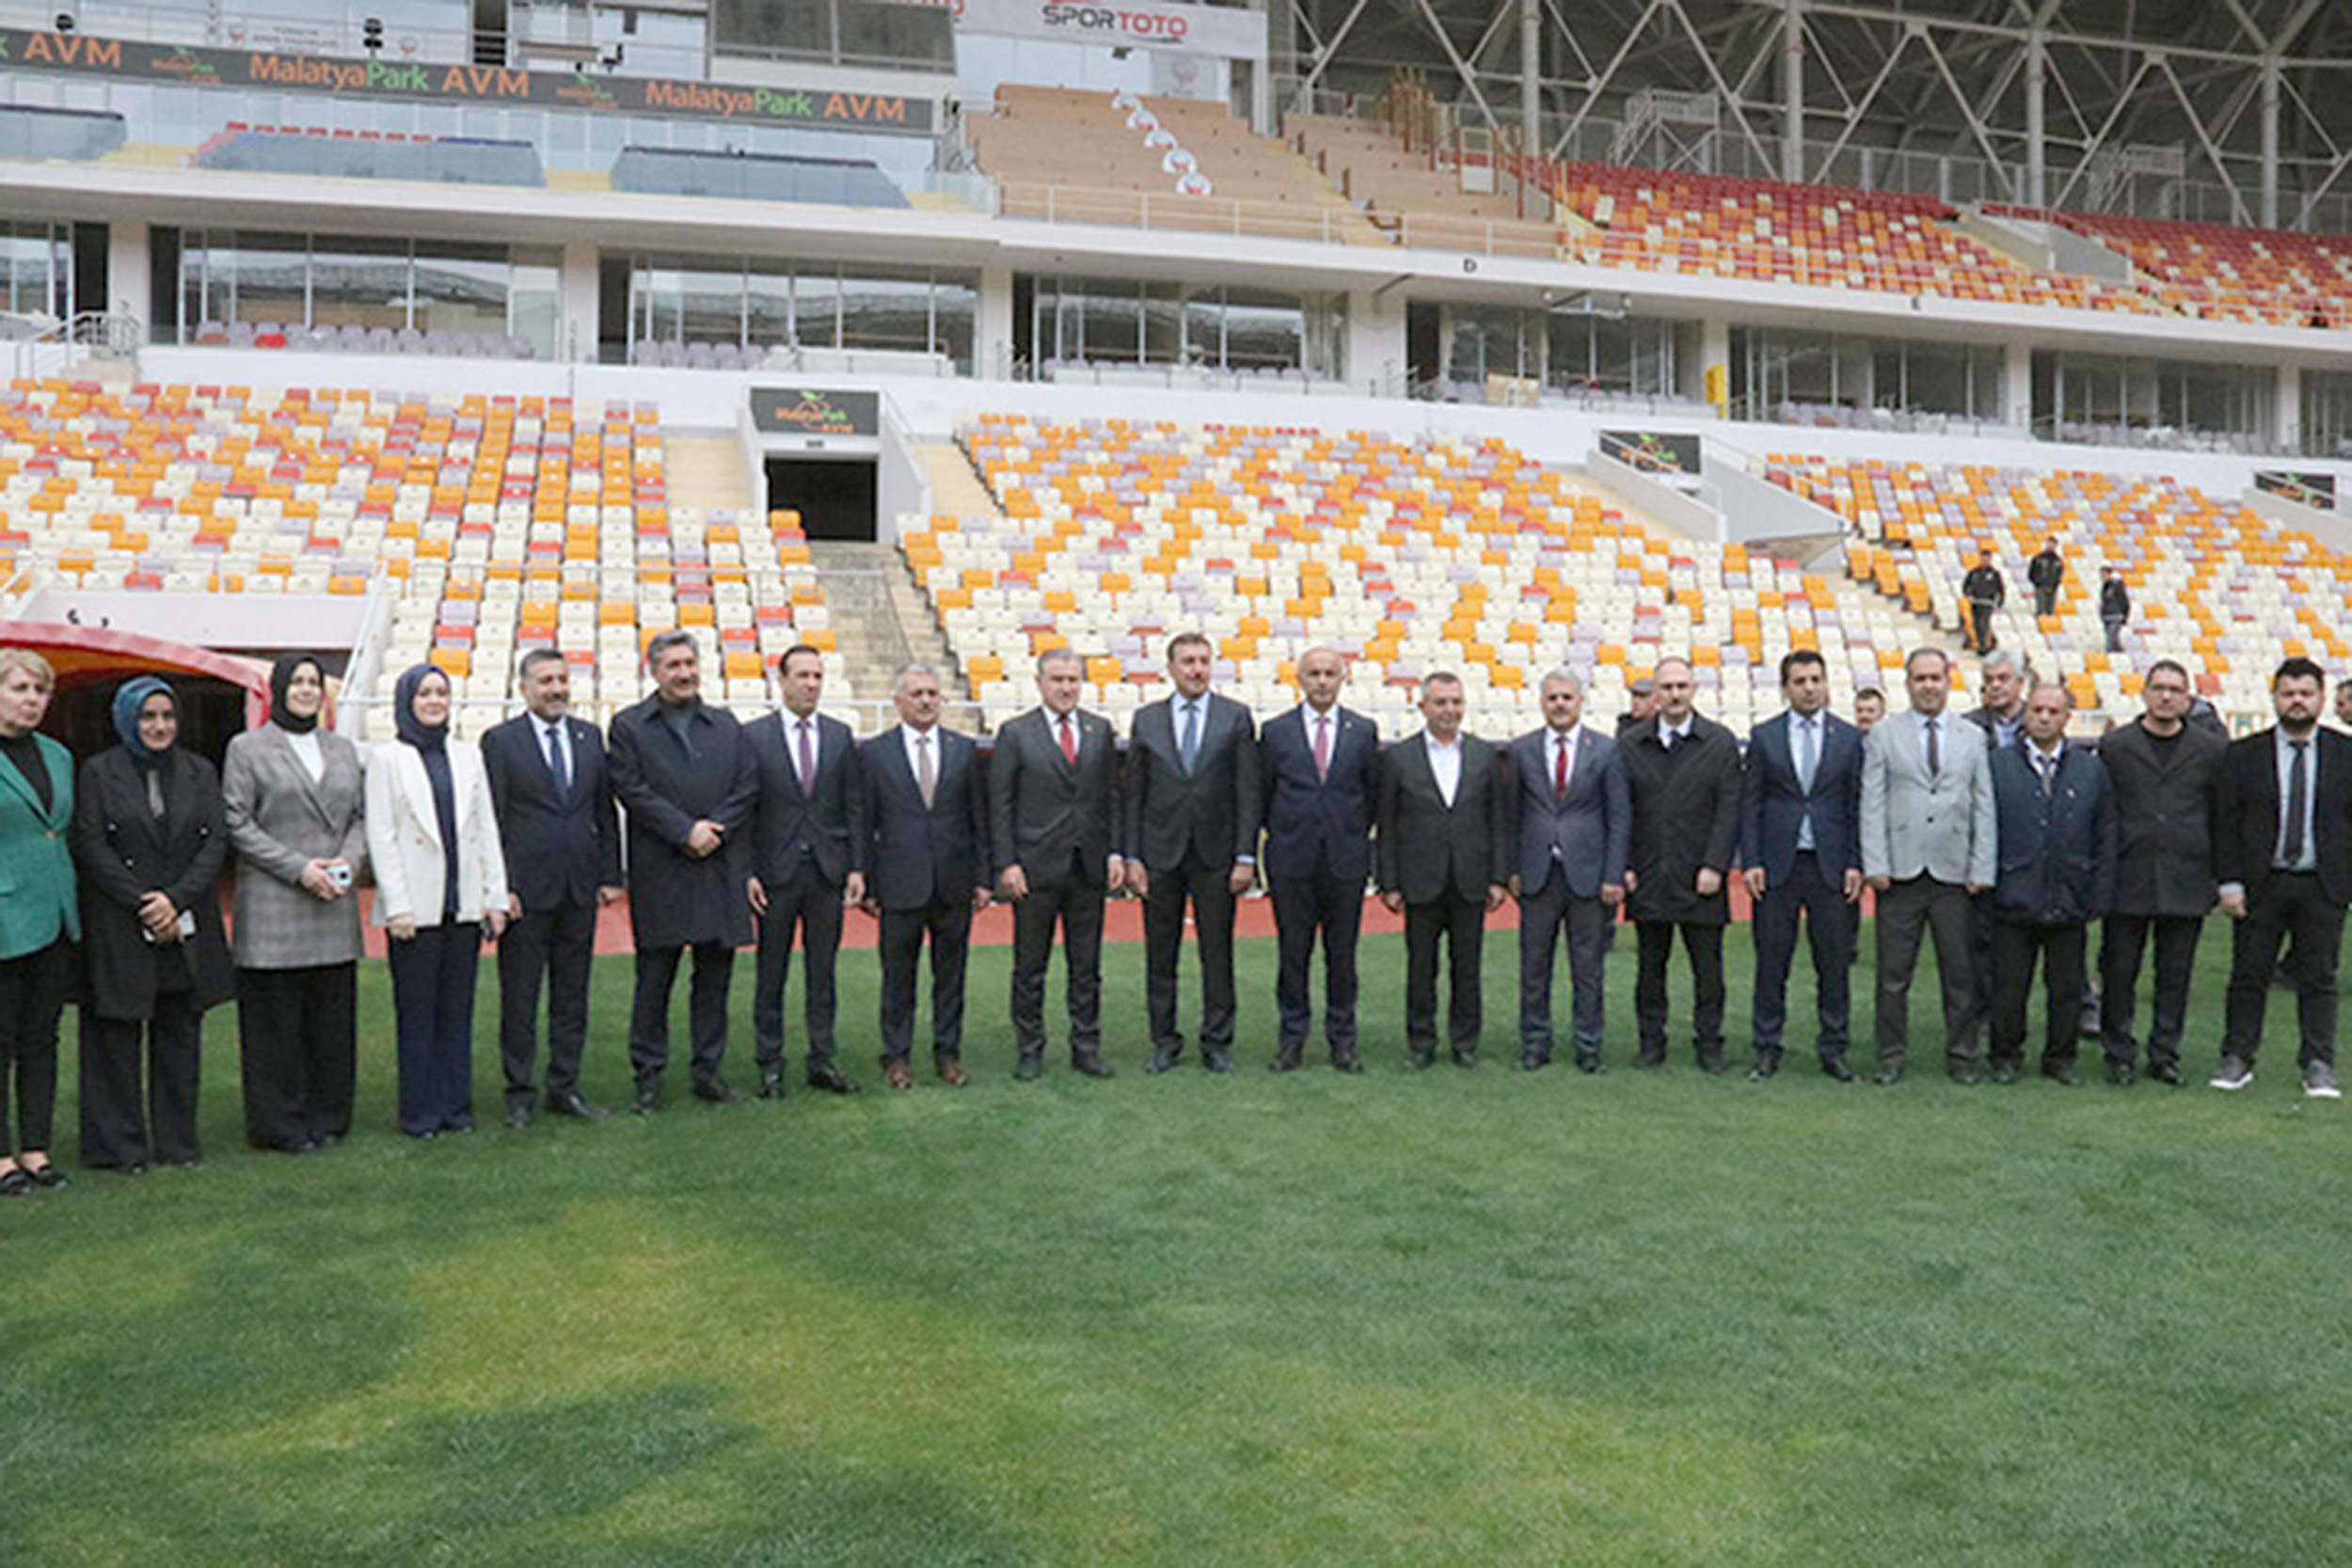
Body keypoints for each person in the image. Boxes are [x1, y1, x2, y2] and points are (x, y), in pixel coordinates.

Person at [72, 677, 232, 1175]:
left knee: (179, 1036)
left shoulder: (200, 771)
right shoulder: (98, 773)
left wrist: (175, 900)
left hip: (185, 923)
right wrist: (144, 901)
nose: (159, 726)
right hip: (121, 922)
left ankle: (177, 1142)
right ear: (126, 719)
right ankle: (118, 1148)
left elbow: (215, 843)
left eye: (166, 716)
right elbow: (90, 844)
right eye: (148, 716)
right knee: (114, 1036)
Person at [608, 630, 757, 1112]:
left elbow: (746, 786)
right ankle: (647, 1076)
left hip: (718, 865)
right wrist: (684, 831)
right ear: (653, 671)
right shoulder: (629, 726)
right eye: (673, 665)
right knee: (655, 978)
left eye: (689, 663)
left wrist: (714, 830)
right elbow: (631, 789)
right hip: (663, 869)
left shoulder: (727, 724)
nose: (684, 673)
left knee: (714, 976)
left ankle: (707, 1071)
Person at [223, 652, 366, 1154]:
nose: (306, 690)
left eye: (313, 682)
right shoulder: (247, 748)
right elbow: (238, 824)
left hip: (333, 904)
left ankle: (329, 1117)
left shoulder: (343, 748)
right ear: (278, 688)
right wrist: (301, 869)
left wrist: (343, 864)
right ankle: (278, 1124)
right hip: (275, 906)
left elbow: (358, 818)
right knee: (275, 1027)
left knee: (330, 1024)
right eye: (297, 681)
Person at [483, 647, 624, 1128]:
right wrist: (502, 887)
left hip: (579, 889)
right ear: (524, 688)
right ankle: (519, 1091)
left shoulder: (589, 738)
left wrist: (610, 875)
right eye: (545, 680)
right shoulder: (500, 742)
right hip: (525, 894)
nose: (556, 688)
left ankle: (565, 1087)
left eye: (562, 679)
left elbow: (604, 813)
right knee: (519, 998)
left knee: (572, 996)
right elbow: (493, 821)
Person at [367, 664, 509, 1138]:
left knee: (457, 1011)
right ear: (407, 700)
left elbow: (486, 828)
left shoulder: (468, 755)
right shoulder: (386, 759)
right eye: (424, 693)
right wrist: (398, 905)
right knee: (417, 1013)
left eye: (441, 692)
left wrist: (494, 896)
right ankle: (419, 1113)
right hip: (415, 910)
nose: (433, 700)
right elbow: (382, 835)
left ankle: (456, 1108)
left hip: (462, 904)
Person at [2209, 657, 2352, 1098]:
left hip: (2323, 884)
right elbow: (2225, 824)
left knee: (2319, 978)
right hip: (2261, 883)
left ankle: (2318, 1062)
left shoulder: (2345, 753)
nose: (2297, 701)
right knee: (2248, 975)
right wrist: (2229, 882)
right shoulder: (2243, 754)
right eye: (2288, 693)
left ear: (2321, 699)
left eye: (2305, 693)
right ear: (2274, 697)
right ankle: (2238, 1057)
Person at [1125, 632, 1261, 1075]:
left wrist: (1245, 856)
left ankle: (1216, 1041)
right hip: (1160, 854)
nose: (1197, 669)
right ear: (1171, 668)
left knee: (1217, 953)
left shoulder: (1235, 717)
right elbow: (1134, 795)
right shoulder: (1146, 720)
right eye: (1187, 661)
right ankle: (1164, 1041)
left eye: (1204, 660)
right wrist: (1132, 856)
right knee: (1159, 955)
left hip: (1216, 855)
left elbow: (1247, 791)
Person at [1861, 646, 1997, 1085]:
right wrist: (1875, 863)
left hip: (1954, 874)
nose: (1928, 685)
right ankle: (1891, 1055)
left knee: (1960, 974)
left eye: (1935, 677)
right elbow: (1872, 803)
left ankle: (1963, 1055)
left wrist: (1982, 868)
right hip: (1899, 873)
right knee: (1893, 976)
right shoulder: (1884, 734)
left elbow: (1983, 805)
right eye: (1920, 678)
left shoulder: (1972, 736)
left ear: (1948, 680)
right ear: (1908, 683)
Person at [991, 647, 1122, 1081]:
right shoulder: (1015, 733)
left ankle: (1086, 1047)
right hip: (1034, 869)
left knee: (1086, 967)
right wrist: (1007, 862)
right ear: (1040, 683)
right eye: (1058, 680)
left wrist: (1116, 852)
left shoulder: (1099, 730)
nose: (1066, 688)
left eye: (1073, 680)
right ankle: (1030, 1048)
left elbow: (1111, 798)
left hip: (1088, 867)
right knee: (1030, 967)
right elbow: (1001, 804)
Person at [858, 664, 989, 1089]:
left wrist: (983, 879)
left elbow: (978, 820)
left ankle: (947, 1054)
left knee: (951, 977)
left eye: (933, 692)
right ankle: (896, 1056)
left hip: (953, 883)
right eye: (916, 693)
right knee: (899, 978)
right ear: (898, 701)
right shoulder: (875, 753)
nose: (926, 700)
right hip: (899, 884)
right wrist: (869, 884)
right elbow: (864, 823)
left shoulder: (963, 749)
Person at [743, 644, 866, 1098]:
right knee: (770, 972)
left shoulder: (839, 735)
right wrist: (748, 871)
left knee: (823, 972)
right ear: (782, 680)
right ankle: (770, 1063)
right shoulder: (753, 736)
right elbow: (745, 810)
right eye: (803, 675)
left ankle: (822, 1059)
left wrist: (856, 866)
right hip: (774, 874)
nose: (811, 683)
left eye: (817, 675)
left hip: (827, 873)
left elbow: (854, 805)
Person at [1739, 650, 1865, 1081]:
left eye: (1816, 679)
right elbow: (1750, 802)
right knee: (1772, 962)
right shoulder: (1764, 736)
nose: (1809, 687)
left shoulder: (1849, 738)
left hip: (1830, 867)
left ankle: (1834, 1047)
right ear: (1785, 687)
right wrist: (1751, 860)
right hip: (1777, 866)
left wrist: (1855, 861)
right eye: (1800, 681)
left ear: (1827, 683)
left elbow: (1855, 805)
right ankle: (1767, 1046)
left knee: (1833, 964)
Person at [2097, 659, 2224, 1085]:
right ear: (2144, 693)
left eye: (2175, 688)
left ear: (2188, 698)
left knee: (2174, 974)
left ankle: (2164, 1052)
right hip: (2128, 874)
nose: (2166, 696)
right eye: (2159, 687)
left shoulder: (2209, 750)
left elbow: (2219, 813)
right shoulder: (2116, 746)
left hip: (2186, 875)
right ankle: (2118, 1051)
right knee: (2119, 971)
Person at [1986, 684, 2116, 1085]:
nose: (2043, 717)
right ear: (2027, 714)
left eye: (2053, 711)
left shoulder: (2090, 769)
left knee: (2065, 988)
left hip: (2069, 896)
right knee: (2009, 987)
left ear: (2066, 719)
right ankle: (2005, 1055)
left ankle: (2060, 1058)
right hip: (2013, 895)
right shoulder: (1997, 764)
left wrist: (2099, 892)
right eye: (2037, 709)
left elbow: (2105, 832)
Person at [1257, 645, 1379, 1072]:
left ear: (1342, 678)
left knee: (1342, 956)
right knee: (1293, 954)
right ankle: (1292, 1040)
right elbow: (1265, 794)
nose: (1322, 681)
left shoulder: (1363, 730)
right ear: (1299, 679)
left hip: (1345, 862)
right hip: (1292, 861)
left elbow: (1372, 796)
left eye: (1330, 673)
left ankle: (1342, 1041)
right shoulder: (1275, 732)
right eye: (1314, 673)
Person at [1376, 672, 1507, 1069]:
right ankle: (1421, 1043)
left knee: (1467, 969)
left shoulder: (1486, 755)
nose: (1449, 710)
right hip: (1420, 880)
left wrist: (1498, 877)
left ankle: (1465, 1043)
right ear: (1423, 707)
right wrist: (1390, 882)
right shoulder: (1399, 757)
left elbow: (1498, 820)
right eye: (1441, 702)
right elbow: (1387, 824)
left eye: (1455, 702)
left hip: (1470, 879)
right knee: (1421, 968)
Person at [1618, 656, 1741, 1073]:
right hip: (1649, 875)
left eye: (1681, 686)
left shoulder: (1720, 742)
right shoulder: (1631, 743)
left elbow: (1729, 811)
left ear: (1694, 690)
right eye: (1666, 687)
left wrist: (1716, 865)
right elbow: (1624, 812)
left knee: (1709, 971)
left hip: (1701, 876)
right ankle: (1651, 1043)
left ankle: (1710, 1045)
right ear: (1654, 692)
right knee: (1650, 969)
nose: (1674, 694)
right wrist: (1627, 865)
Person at [1505, 669, 1627, 1073]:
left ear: (1580, 701)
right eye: (1553, 697)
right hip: (1537, 875)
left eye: (1567, 698)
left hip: (1589, 877)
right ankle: (1535, 1044)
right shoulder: (1521, 750)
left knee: (1588, 968)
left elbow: (1619, 816)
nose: (1560, 704)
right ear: (1542, 702)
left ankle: (1588, 1045)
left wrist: (1613, 874)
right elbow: (1510, 816)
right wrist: (1512, 868)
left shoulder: (1606, 750)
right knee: (1534, 966)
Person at [0, 649, 78, 1196]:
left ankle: (36, 1148)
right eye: (20, 688)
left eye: (40, 691)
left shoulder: (57, 754)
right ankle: (1, 1157)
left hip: (54, 914)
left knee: (41, 1038)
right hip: (4, 913)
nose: (32, 700)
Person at [1966, 651, 2028, 750]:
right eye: (1989, 680)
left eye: (2003, 679)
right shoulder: (1969, 724)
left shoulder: (2036, 721)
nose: (1995, 685)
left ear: (2020, 682)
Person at [1963, 548, 2006, 653]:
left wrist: (2000, 602)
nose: (1985, 561)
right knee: (1977, 624)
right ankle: (1981, 644)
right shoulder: (1974, 572)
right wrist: (1968, 595)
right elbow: (1965, 586)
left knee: (1984, 623)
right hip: (1976, 602)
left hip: (1988, 602)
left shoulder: (1995, 574)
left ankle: (1984, 645)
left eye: (1987, 559)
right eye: (1983, 558)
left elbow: (2001, 589)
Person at [2027, 536, 2065, 619]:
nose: (2051, 546)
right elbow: (2031, 572)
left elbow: (2060, 574)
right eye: (2049, 544)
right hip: (2040, 587)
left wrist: (2055, 584)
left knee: (2050, 612)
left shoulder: (2057, 560)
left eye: (2053, 545)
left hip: (2052, 588)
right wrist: (2037, 584)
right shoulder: (2038, 558)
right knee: (2040, 611)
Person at [2099, 567, 2131, 654]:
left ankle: (2109, 655)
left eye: (2105, 575)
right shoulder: (2104, 587)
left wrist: (2125, 616)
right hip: (2107, 617)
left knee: (2111, 640)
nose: (2103, 577)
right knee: (2115, 641)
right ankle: (2121, 654)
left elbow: (2124, 601)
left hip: (2116, 616)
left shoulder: (2117, 586)